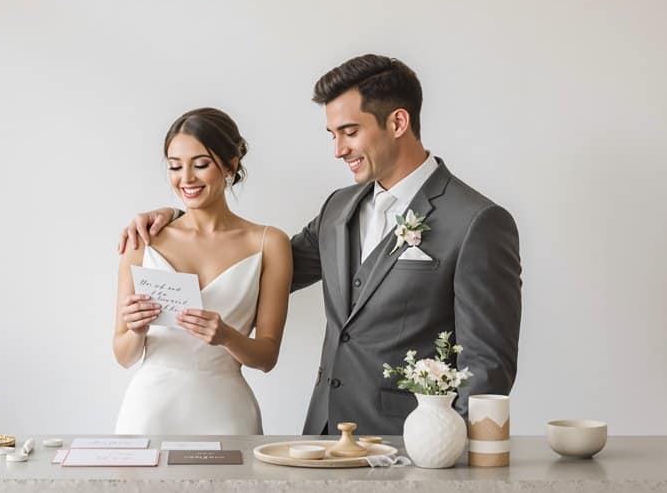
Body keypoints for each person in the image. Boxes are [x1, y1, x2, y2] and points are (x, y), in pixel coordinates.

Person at [118, 55, 522, 435]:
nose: (338, 149)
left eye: (349, 132)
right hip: (324, 436)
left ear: (398, 122)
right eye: (333, 134)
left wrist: (465, 459)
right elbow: (258, 269)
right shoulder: (338, 208)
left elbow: (488, 365)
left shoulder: (476, 221)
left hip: (415, 439)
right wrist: (176, 218)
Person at [113, 107, 292, 435]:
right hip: (149, 412)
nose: (186, 179)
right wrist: (136, 330)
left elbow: (266, 357)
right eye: (175, 166)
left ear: (230, 165)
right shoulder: (143, 241)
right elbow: (123, 355)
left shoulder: (269, 243)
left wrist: (227, 336)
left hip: (227, 413)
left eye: (200, 164)